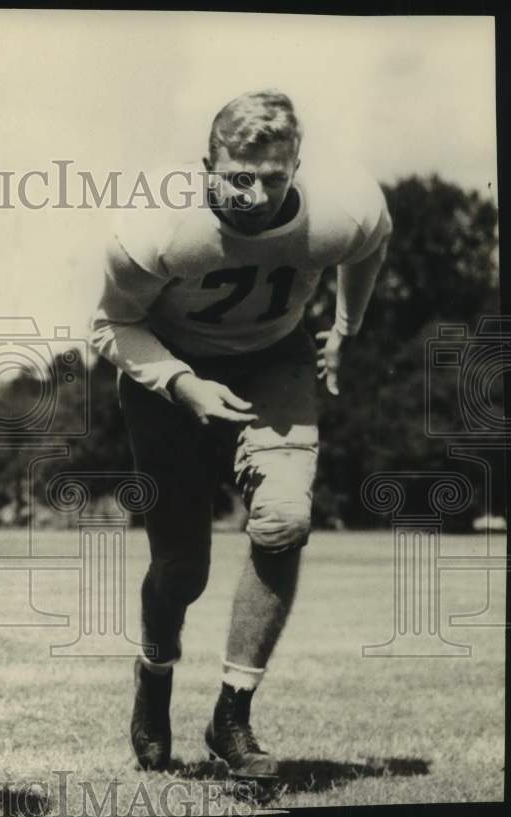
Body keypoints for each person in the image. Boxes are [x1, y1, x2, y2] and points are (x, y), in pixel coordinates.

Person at [90, 90, 391, 780]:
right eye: (239, 177)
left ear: (298, 167)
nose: (256, 194)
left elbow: (372, 242)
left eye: (275, 177)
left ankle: (232, 714)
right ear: (208, 165)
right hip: (169, 370)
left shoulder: (342, 206)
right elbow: (108, 325)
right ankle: (155, 670)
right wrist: (181, 383)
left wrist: (345, 327)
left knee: (285, 517)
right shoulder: (157, 224)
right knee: (181, 570)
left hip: (274, 361)